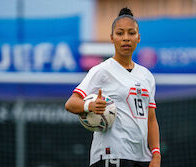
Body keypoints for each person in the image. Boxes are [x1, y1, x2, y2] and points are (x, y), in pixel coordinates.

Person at [65, 7, 161, 167]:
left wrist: (156, 155)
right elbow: (70, 104)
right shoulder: (102, 70)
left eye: (131, 33)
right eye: (120, 33)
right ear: (112, 38)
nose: (126, 38)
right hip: (111, 155)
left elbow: (151, 119)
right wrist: (90, 105)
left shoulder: (147, 76)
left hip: (142, 158)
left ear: (138, 38)